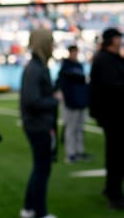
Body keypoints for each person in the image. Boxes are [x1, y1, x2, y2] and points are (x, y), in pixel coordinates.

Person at [19, 28, 60, 218]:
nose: (53, 46)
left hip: (39, 124)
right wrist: (55, 99)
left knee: (39, 168)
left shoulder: (38, 66)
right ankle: (39, 212)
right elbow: (32, 101)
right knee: (42, 169)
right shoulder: (35, 68)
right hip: (38, 126)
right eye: (50, 41)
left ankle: (29, 208)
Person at [89, 27, 124, 210]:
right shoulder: (104, 60)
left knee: (116, 155)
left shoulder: (111, 58)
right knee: (116, 156)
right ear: (111, 40)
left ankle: (112, 189)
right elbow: (112, 87)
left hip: (114, 114)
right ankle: (114, 194)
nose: (120, 41)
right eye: (118, 38)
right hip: (113, 115)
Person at [55, 44, 90, 164]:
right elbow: (60, 83)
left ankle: (79, 151)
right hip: (71, 102)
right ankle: (70, 153)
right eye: (73, 52)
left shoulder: (78, 66)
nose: (75, 54)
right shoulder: (65, 67)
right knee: (71, 128)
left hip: (80, 101)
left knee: (80, 128)